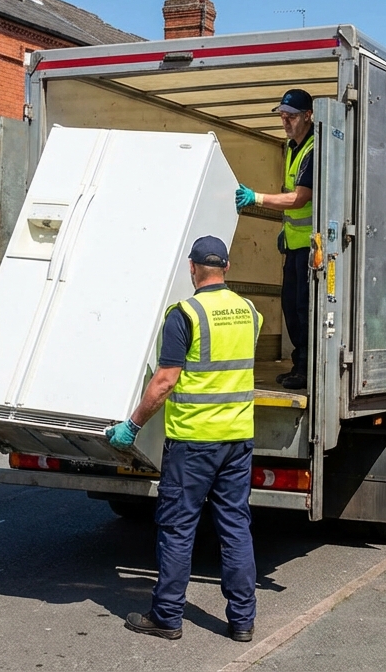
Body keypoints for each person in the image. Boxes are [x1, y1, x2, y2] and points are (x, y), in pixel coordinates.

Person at [105, 235, 262, 643]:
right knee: (235, 527)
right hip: (237, 438)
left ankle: (167, 616)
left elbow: (164, 382)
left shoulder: (185, 315)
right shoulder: (249, 312)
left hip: (193, 441)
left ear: (192, 268)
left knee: (178, 528)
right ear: (226, 268)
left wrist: (133, 426)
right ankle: (242, 621)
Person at [234, 88, 313, 390]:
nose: (285, 121)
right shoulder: (292, 147)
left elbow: (300, 198)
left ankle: (307, 370)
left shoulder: (313, 148)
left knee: (304, 312)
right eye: (282, 116)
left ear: (308, 116)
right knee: (291, 309)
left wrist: (257, 198)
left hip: (311, 248)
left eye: (291, 116)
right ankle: (299, 366)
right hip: (294, 245)